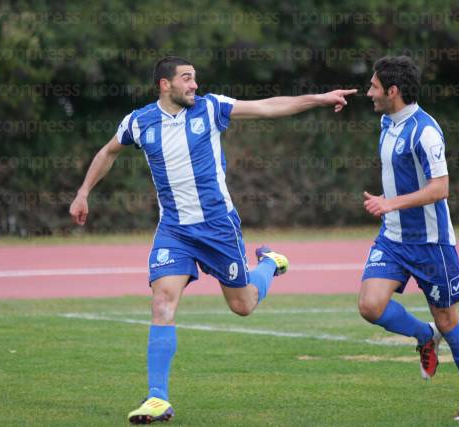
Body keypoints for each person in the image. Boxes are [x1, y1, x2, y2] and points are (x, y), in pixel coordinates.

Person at [69, 56, 356, 424]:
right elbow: (108, 151)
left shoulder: (211, 108)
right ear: (164, 85)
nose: (194, 85)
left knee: (243, 305)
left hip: (218, 228)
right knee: (162, 302)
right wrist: (83, 192)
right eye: (186, 79)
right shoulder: (139, 122)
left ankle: (270, 263)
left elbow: (268, 108)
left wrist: (318, 98)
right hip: (174, 230)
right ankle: (157, 398)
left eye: (195, 79)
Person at [359, 56, 459, 421]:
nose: (370, 92)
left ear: (393, 91)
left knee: (448, 319)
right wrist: (390, 211)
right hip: (393, 239)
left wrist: (390, 203)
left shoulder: (425, 131)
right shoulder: (386, 121)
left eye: (375, 87)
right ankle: (424, 337)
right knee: (370, 306)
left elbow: (441, 188)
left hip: (432, 244)